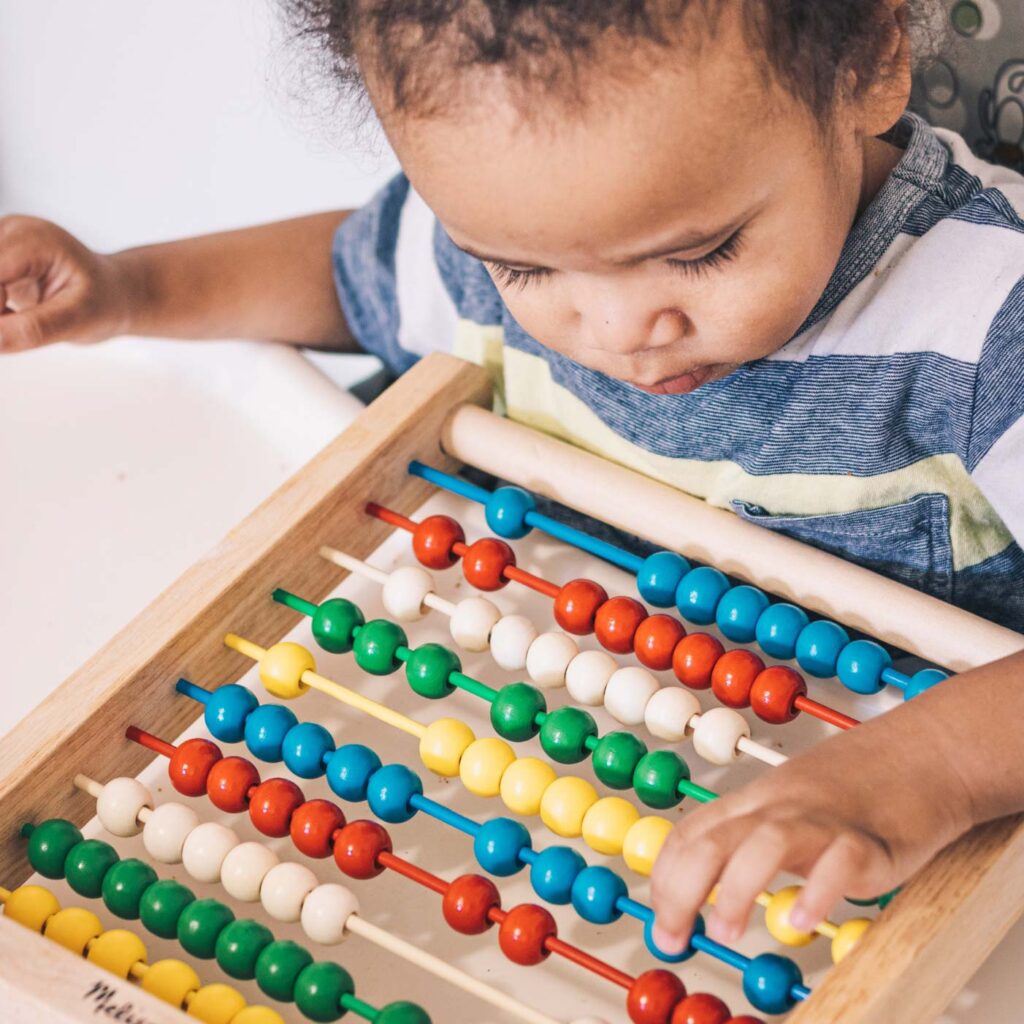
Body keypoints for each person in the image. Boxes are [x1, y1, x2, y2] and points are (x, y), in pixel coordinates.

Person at [1, 0, 1022, 964]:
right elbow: (352, 278)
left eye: (702, 252)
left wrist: (917, 772)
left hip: (903, 830)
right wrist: (128, 288)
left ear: (872, 61)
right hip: (603, 762)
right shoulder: (500, 222)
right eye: (525, 273)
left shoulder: (988, 324)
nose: (619, 333)